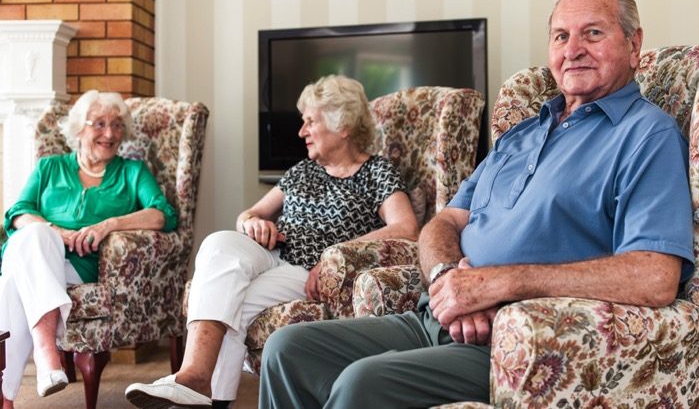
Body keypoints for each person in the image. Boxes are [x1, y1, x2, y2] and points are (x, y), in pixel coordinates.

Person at [258, 0, 696, 408]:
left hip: (519, 344)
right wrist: (447, 279)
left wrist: (500, 285)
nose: (573, 49)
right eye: (561, 36)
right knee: (288, 349)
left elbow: (655, 277)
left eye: (593, 33)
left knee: (363, 384)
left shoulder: (646, 135)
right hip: (437, 317)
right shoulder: (523, 134)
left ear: (634, 45)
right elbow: (445, 222)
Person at [125, 75, 419, 408]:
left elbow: (406, 227)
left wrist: (335, 254)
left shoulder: (377, 171)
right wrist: (252, 223)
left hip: (307, 270)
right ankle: (193, 376)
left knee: (233, 301)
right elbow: (249, 213)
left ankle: (201, 388)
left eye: (310, 122)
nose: (302, 131)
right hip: (271, 252)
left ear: (343, 126)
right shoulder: (303, 170)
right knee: (218, 243)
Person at [0, 90, 178, 408]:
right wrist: (55, 232)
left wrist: (109, 225)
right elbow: (17, 213)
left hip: (78, 267)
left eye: (117, 125)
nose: (110, 133)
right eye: (99, 124)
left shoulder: (131, 172)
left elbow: (163, 215)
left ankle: (18, 384)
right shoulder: (49, 167)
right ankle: (42, 359)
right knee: (34, 238)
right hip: (36, 253)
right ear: (79, 128)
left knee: (13, 281)